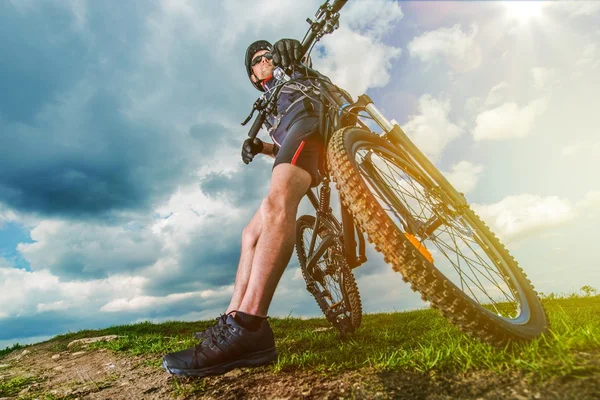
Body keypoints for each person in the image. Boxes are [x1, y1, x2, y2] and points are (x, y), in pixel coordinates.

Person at [162, 38, 325, 377]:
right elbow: (284, 145)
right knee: (250, 233)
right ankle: (233, 318)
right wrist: (262, 145)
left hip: (312, 122)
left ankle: (249, 324)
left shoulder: (291, 69)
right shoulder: (267, 103)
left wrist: (289, 48)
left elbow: (302, 58)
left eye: (269, 54)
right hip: (296, 138)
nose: (266, 59)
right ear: (253, 75)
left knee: (276, 203)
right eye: (258, 59)